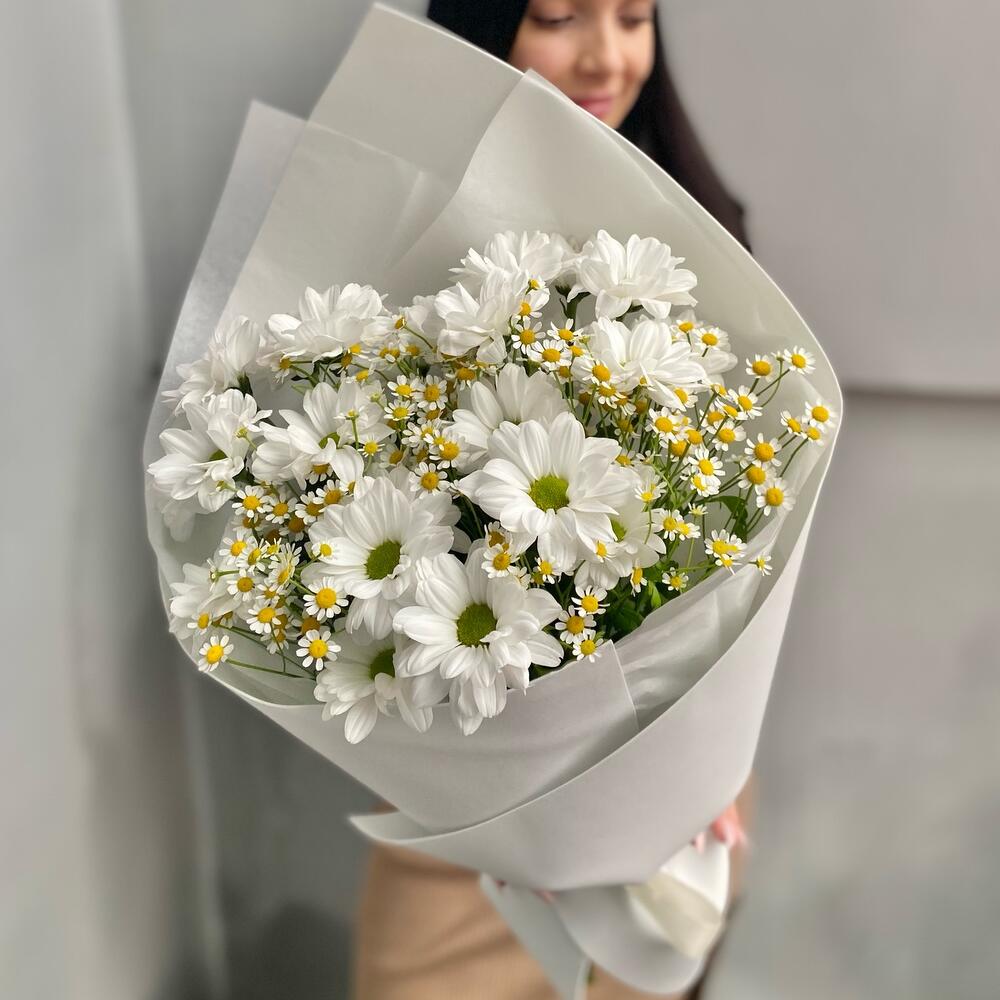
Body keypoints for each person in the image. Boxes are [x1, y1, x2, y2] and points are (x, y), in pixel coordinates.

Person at [351, 3, 753, 997]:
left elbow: (740, 544)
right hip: (466, 831)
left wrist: (711, 767)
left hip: (666, 820)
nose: (605, 56)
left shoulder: (703, 232)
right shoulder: (405, 241)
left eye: (633, 16)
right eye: (559, 15)